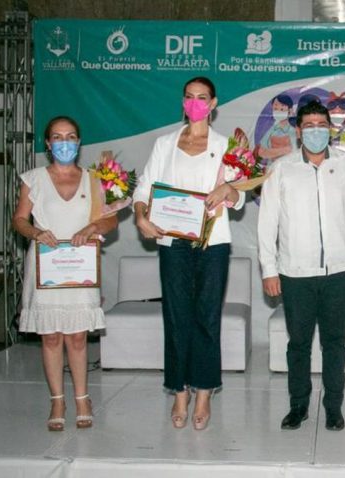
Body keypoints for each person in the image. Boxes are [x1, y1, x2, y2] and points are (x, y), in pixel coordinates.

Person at [133, 76, 244, 431]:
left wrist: (228, 190)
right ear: (183, 101)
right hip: (172, 241)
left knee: (207, 317)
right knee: (176, 316)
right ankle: (179, 390)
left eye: (202, 97)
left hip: (213, 242)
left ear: (213, 104)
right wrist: (141, 216)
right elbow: (144, 188)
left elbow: (240, 196)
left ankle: (205, 392)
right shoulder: (164, 144)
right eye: (189, 96)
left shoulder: (226, 146)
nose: (195, 102)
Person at [258, 99, 345, 431]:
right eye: (308, 126)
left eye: (321, 125)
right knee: (298, 344)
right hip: (295, 273)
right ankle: (298, 406)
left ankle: (334, 407)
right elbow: (267, 223)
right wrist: (269, 269)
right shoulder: (281, 169)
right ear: (298, 131)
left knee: (335, 343)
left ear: (331, 130)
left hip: (341, 272)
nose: (315, 131)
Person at [12, 116, 118, 431]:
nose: (64, 143)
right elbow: (19, 219)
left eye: (70, 136)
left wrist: (92, 227)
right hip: (46, 267)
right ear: (48, 143)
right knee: (51, 336)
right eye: (57, 137)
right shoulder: (33, 179)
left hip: (80, 267)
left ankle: (83, 399)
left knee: (78, 337)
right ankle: (57, 400)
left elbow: (111, 220)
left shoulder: (95, 179)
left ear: (79, 142)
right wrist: (35, 232)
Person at [258, 94, 295, 161]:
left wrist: (271, 152)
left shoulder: (295, 129)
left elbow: (295, 151)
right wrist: (284, 150)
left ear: (290, 110)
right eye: (275, 109)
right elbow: (261, 152)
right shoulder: (273, 129)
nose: (278, 112)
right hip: (273, 166)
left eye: (282, 109)